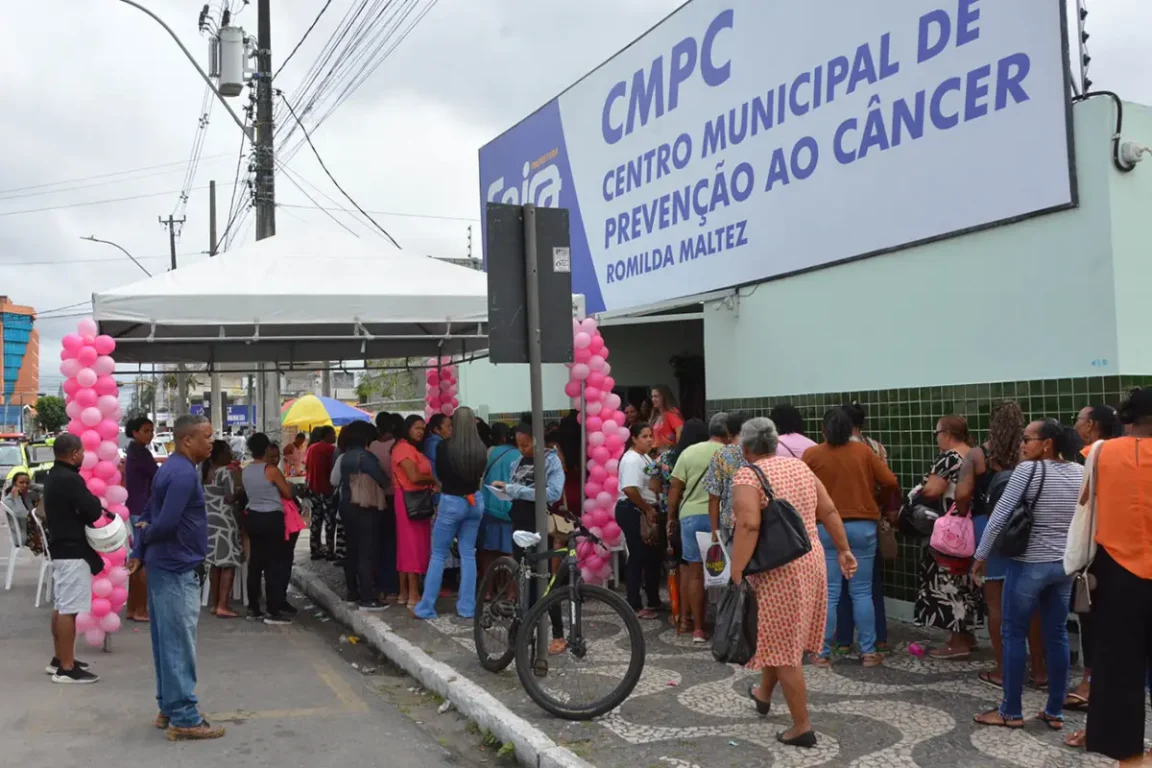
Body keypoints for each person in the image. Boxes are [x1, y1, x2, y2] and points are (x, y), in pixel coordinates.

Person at [731, 418, 857, 749]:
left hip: (777, 570)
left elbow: (748, 525)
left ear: (745, 448)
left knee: (785, 649)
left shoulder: (748, 475)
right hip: (810, 560)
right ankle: (763, 694)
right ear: (774, 443)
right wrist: (843, 549)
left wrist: (736, 572)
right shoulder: (801, 468)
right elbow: (829, 510)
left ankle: (802, 726)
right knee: (780, 636)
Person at [972, 418, 1083, 731]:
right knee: (1057, 634)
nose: (1022, 444)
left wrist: (981, 555)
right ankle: (1054, 712)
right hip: (1063, 566)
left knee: (1013, 633)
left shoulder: (1029, 471)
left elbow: (999, 516)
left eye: (1027, 439)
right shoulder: (1079, 472)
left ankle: (1011, 711)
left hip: (1029, 565)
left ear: (1046, 444)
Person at [127, 415, 223, 739]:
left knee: (166, 642)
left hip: (165, 565)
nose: (211, 442)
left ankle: (169, 707)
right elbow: (164, 522)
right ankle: (184, 717)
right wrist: (145, 539)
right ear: (187, 440)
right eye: (206, 436)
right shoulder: (182, 473)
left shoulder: (170, 468)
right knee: (178, 645)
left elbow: (148, 513)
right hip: (176, 567)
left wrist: (139, 548)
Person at [1069, 388, 1152, 759]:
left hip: (1117, 571)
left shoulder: (1100, 453)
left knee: (1117, 667)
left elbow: (1086, 503)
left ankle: (1127, 756)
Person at [803, 408, 899, 667]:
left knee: (831, 592)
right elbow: (890, 481)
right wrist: (874, 497)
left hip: (826, 528)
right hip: (863, 526)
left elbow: (801, 487)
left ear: (823, 430)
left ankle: (821, 653)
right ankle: (869, 652)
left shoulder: (812, 455)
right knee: (862, 591)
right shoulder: (864, 452)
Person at [953, 401, 1030, 687]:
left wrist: (965, 514)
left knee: (995, 603)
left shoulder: (978, 455)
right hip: (1023, 527)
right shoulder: (1026, 452)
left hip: (988, 527)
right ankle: (1039, 669)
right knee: (1030, 602)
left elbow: (962, 494)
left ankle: (1002, 669)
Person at [1060, 403, 1124, 718]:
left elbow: (1086, 502)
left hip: (1100, 550)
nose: (1076, 425)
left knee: (1093, 618)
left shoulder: (1096, 454)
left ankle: (1091, 683)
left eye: (1079, 419)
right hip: (1124, 551)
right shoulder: (1125, 453)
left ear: (1092, 425)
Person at [491, 423, 566, 653]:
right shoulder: (516, 462)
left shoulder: (551, 461)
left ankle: (558, 633)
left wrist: (514, 490)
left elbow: (552, 493)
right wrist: (504, 491)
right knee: (524, 576)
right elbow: (515, 489)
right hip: (519, 522)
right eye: (519, 445)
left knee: (544, 578)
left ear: (538, 440)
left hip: (539, 524)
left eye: (526, 444)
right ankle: (524, 627)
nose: (522, 449)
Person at [914, 416, 981, 657]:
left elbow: (934, 489)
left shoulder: (950, 457)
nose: (937, 439)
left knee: (948, 583)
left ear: (948, 434)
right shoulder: (975, 454)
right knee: (966, 583)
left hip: (949, 532)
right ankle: (968, 636)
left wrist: (919, 491)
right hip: (970, 528)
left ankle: (957, 642)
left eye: (937, 433)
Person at [43, 434, 104, 684]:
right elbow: (92, 509)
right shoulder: (70, 479)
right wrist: (94, 502)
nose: (84, 456)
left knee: (61, 605)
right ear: (75, 453)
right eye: (82, 452)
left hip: (61, 548)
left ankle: (60, 658)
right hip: (72, 550)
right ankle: (66, 668)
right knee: (69, 609)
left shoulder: (53, 475)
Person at [415, 408, 487, 620]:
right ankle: (467, 607)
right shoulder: (480, 448)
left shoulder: (444, 446)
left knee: (438, 553)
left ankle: (427, 607)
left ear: (455, 424)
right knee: (468, 553)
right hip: (474, 500)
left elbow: (441, 474)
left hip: (452, 501)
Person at [668, 415, 725, 642]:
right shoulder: (728, 452)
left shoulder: (687, 453)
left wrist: (670, 517)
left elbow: (675, 488)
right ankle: (726, 623)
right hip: (720, 516)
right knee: (725, 570)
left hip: (690, 516)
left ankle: (698, 629)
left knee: (694, 572)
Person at [241, 433, 297, 624]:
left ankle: (253, 608)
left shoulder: (246, 470)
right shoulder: (271, 470)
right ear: (266, 449)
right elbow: (287, 493)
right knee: (274, 563)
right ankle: (273, 610)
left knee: (256, 563)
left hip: (252, 517)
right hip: (271, 518)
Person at [336, 420, 391, 610]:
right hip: (365, 506)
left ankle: (353, 592)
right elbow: (383, 480)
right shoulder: (365, 457)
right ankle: (368, 597)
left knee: (352, 550)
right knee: (367, 552)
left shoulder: (345, 456)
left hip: (347, 505)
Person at [615, 423, 663, 619]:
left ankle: (653, 599)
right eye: (644, 436)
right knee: (638, 556)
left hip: (644, 508)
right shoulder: (632, 459)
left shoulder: (644, 457)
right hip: (633, 509)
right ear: (634, 438)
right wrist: (647, 508)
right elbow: (630, 489)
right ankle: (634, 604)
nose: (649, 439)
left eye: (651, 435)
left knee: (652, 557)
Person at [392, 415, 437, 610]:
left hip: (412, 499)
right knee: (412, 546)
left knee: (408, 546)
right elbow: (414, 476)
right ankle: (413, 593)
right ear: (407, 428)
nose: (420, 432)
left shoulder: (409, 448)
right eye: (416, 428)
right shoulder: (403, 448)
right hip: (410, 500)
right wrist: (434, 480)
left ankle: (404, 592)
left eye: (422, 428)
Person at [202, 440, 243, 619]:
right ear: (220, 455)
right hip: (225, 520)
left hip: (209, 521)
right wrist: (240, 489)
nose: (231, 454)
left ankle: (214, 603)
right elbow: (229, 497)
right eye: (228, 451)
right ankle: (223, 605)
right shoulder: (225, 472)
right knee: (228, 563)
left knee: (214, 563)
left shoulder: (203, 471)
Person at [124, 415, 157, 622]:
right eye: (146, 431)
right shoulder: (141, 453)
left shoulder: (133, 451)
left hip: (135, 508)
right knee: (142, 560)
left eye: (151, 430)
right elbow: (157, 476)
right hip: (142, 510)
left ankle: (132, 607)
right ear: (135, 432)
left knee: (136, 557)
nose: (150, 434)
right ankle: (141, 609)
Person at [703, 411, 751, 545]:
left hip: (730, 522)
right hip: (757, 519)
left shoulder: (721, 455)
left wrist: (714, 531)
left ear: (728, 431)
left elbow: (713, 497)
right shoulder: (759, 452)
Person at [368, 412, 400, 602]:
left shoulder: (372, 446)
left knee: (379, 542)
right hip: (397, 497)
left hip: (377, 498)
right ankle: (393, 586)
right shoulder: (398, 445)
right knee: (394, 544)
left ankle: (380, 586)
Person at [479, 422, 518, 575]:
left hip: (489, 505)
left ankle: (487, 586)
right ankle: (510, 588)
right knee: (511, 552)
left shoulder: (491, 451)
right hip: (511, 509)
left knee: (488, 551)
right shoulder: (521, 455)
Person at [305, 426, 338, 561]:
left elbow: (307, 466)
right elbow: (333, 469)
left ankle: (314, 548)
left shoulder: (311, 448)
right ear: (327, 435)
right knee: (330, 521)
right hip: (327, 488)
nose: (335, 437)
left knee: (316, 519)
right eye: (333, 434)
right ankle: (330, 550)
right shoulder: (331, 450)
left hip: (313, 488)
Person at [2, 471, 33, 547]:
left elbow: (43, 489)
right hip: (20, 538)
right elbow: (22, 514)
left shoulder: (26, 497)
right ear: (14, 484)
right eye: (21, 483)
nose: (25, 485)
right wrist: (16, 498)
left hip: (31, 533)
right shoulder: (9, 500)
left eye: (27, 483)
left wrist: (31, 485)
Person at [649, 385, 683, 452]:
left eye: (656, 396)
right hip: (655, 453)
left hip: (667, 452)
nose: (653, 399)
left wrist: (677, 452)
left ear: (664, 397)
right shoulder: (655, 415)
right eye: (652, 397)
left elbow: (680, 433)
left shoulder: (672, 413)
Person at [424, 413, 452, 478]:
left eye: (451, 425)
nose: (451, 429)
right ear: (437, 429)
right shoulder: (435, 444)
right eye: (448, 426)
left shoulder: (432, 441)